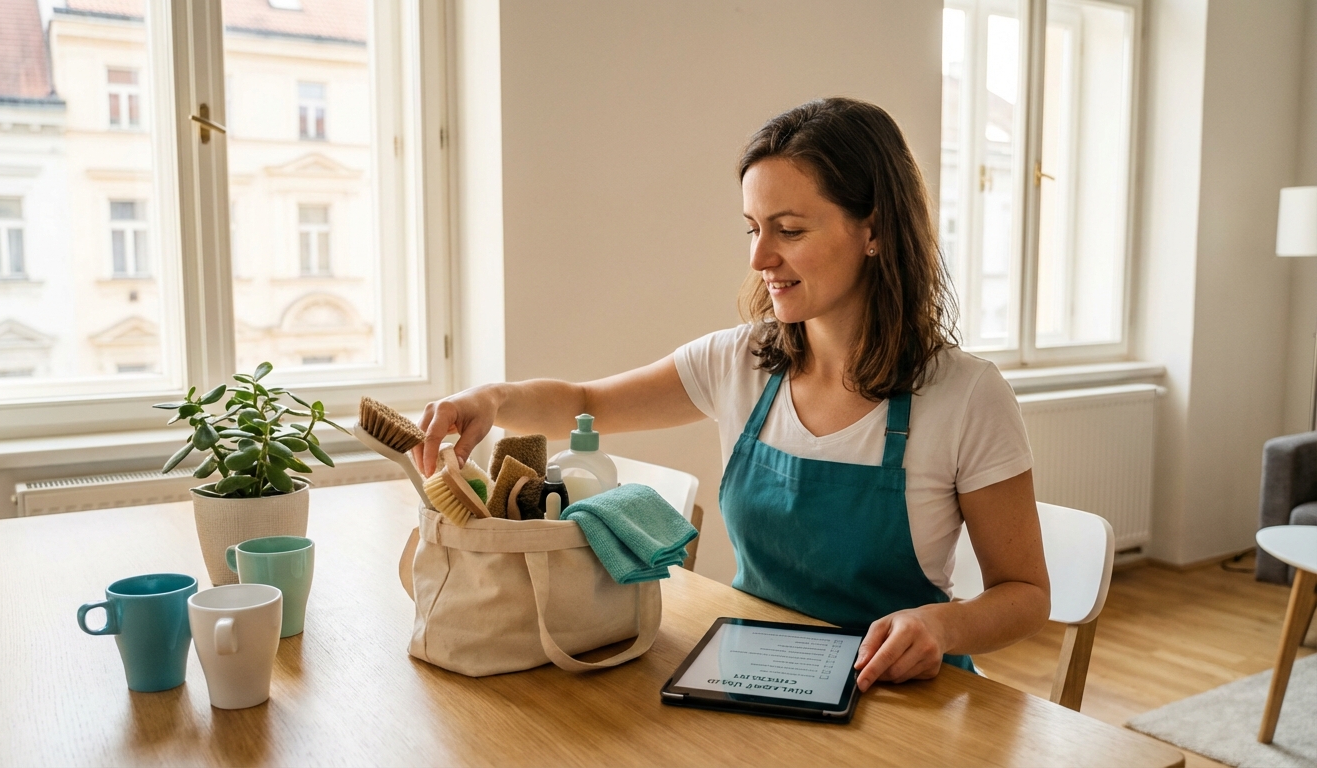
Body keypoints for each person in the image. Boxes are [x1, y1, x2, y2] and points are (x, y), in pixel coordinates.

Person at [415, 97, 1050, 692]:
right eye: (751, 228)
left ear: (875, 231)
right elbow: (587, 399)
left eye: (790, 230)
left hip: (900, 697)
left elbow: (1024, 591)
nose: (760, 257)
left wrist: (941, 625)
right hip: (753, 677)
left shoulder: (966, 396)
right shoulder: (740, 362)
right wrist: (492, 399)